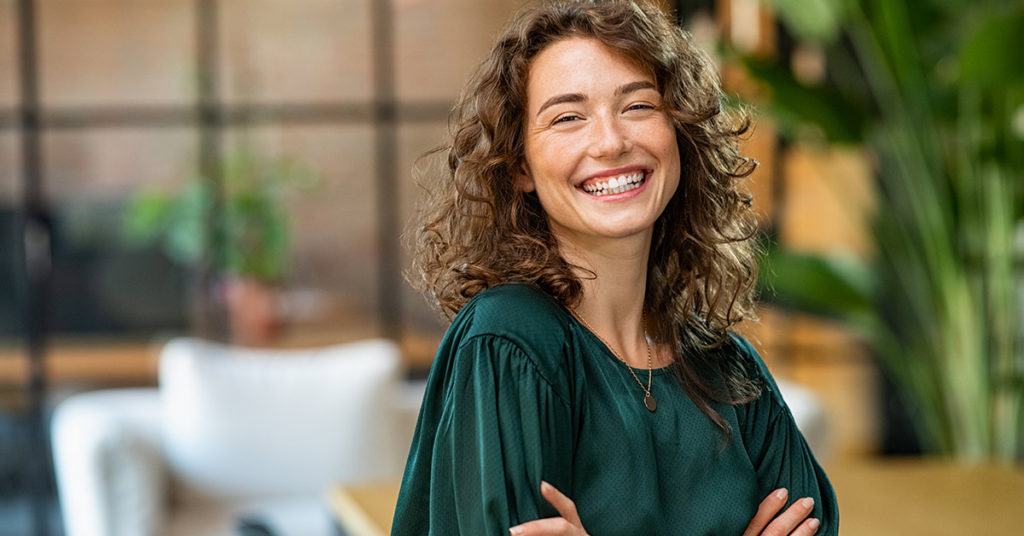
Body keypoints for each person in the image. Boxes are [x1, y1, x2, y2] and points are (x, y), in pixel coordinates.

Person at [392, 1, 838, 534]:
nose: (610, 141)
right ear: (519, 167)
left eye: (638, 106)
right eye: (567, 117)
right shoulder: (509, 343)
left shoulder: (728, 368)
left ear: (680, 133)